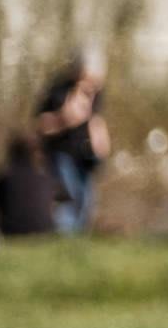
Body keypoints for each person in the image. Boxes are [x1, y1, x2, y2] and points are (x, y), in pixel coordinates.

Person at [33, 49, 111, 235]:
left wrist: (101, 145)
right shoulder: (59, 92)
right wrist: (64, 119)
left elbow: (96, 122)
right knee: (69, 197)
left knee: (86, 200)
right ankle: (65, 235)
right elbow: (40, 125)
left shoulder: (96, 93)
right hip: (62, 153)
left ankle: (79, 237)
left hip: (86, 157)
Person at [0, 131, 64, 240]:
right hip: (45, 230)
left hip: (11, 231)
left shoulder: (3, 179)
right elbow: (61, 200)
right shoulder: (45, 178)